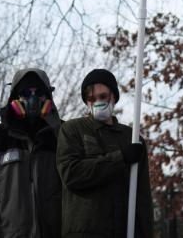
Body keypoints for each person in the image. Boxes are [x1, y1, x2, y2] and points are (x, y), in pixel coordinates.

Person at [0, 68, 62, 238]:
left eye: (39, 92)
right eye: (26, 93)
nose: (33, 98)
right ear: (15, 99)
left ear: (48, 98)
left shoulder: (63, 135)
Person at [56, 68, 153, 238]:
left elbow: (143, 195)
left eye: (103, 96)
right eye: (91, 98)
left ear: (113, 96)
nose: (97, 102)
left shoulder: (131, 138)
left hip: (123, 231)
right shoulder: (72, 130)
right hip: (84, 232)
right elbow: (71, 174)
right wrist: (120, 158)